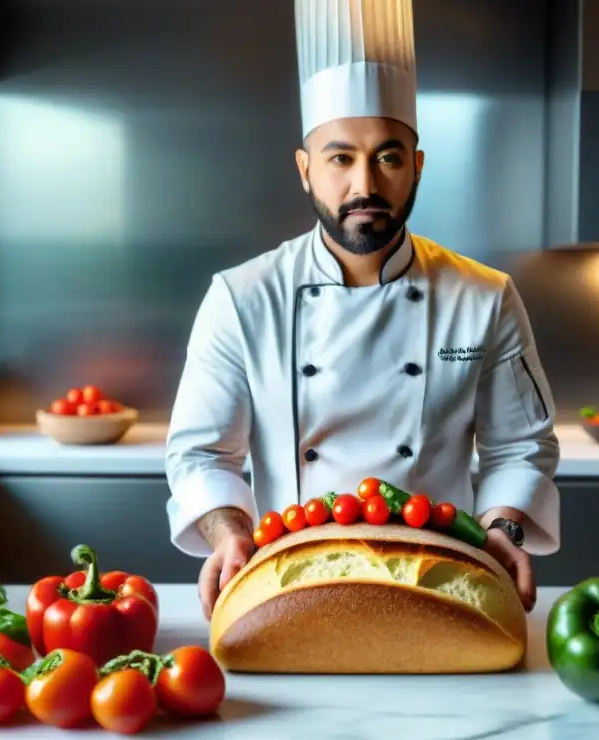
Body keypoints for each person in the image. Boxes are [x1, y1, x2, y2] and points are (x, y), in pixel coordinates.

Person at [165, 0, 560, 621]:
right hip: (289, 583)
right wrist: (228, 533)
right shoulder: (241, 297)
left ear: (417, 167)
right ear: (305, 170)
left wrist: (503, 530)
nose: (365, 186)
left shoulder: (485, 296)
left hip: (440, 583)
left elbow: (521, 447)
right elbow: (200, 455)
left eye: (388, 157)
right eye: (340, 157)